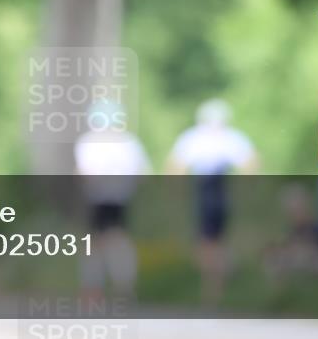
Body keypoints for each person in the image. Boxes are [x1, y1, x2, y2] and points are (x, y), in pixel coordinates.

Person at [166, 99, 258, 307]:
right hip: (215, 190)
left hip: (211, 190)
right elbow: (251, 161)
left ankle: (213, 289)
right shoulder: (227, 138)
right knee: (213, 242)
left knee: (208, 242)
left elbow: (175, 164)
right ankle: (219, 278)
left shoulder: (200, 138)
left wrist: (175, 190)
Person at [74, 98, 151, 301]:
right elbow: (142, 173)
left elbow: (85, 173)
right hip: (121, 197)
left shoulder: (90, 142)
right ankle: (123, 286)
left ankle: (93, 289)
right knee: (119, 241)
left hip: (98, 198)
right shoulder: (129, 142)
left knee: (94, 244)